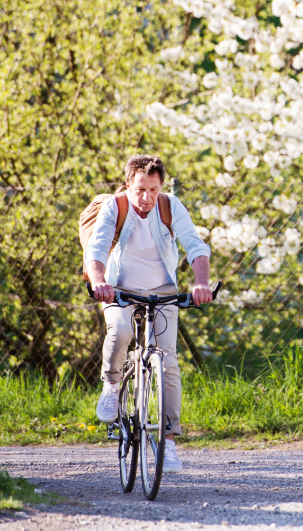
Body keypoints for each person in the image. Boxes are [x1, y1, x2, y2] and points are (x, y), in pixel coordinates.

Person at [85, 155, 214, 474]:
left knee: (168, 362)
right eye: (141, 189)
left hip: (163, 293)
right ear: (128, 185)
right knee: (120, 332)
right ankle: (111, 386)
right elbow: (97, 248)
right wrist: (100, 281)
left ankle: (168, 444)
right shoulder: (116, 206)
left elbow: (195, 246)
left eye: (154, 190)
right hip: (119, 290)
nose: (147, 198)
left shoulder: (170, 205)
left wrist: (201, 284)